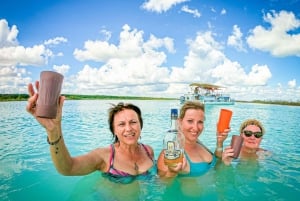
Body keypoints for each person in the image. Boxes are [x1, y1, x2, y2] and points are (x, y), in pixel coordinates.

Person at [26, 81, 155, 183]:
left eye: (133, 122)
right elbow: (67, 168)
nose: (128, 128)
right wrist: (53, 130)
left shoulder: (148, 151)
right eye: (121, 124)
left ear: (140, 125)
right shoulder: (103, 156)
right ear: (114, 130)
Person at [157, 101, 230, 177]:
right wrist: (172, 172)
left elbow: (215, 164)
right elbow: (162, 185)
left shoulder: (198, 142)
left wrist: (219, 143)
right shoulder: (171, 152)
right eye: (190, 121)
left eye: (200, 122)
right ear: (179, 122)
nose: (195, 128)